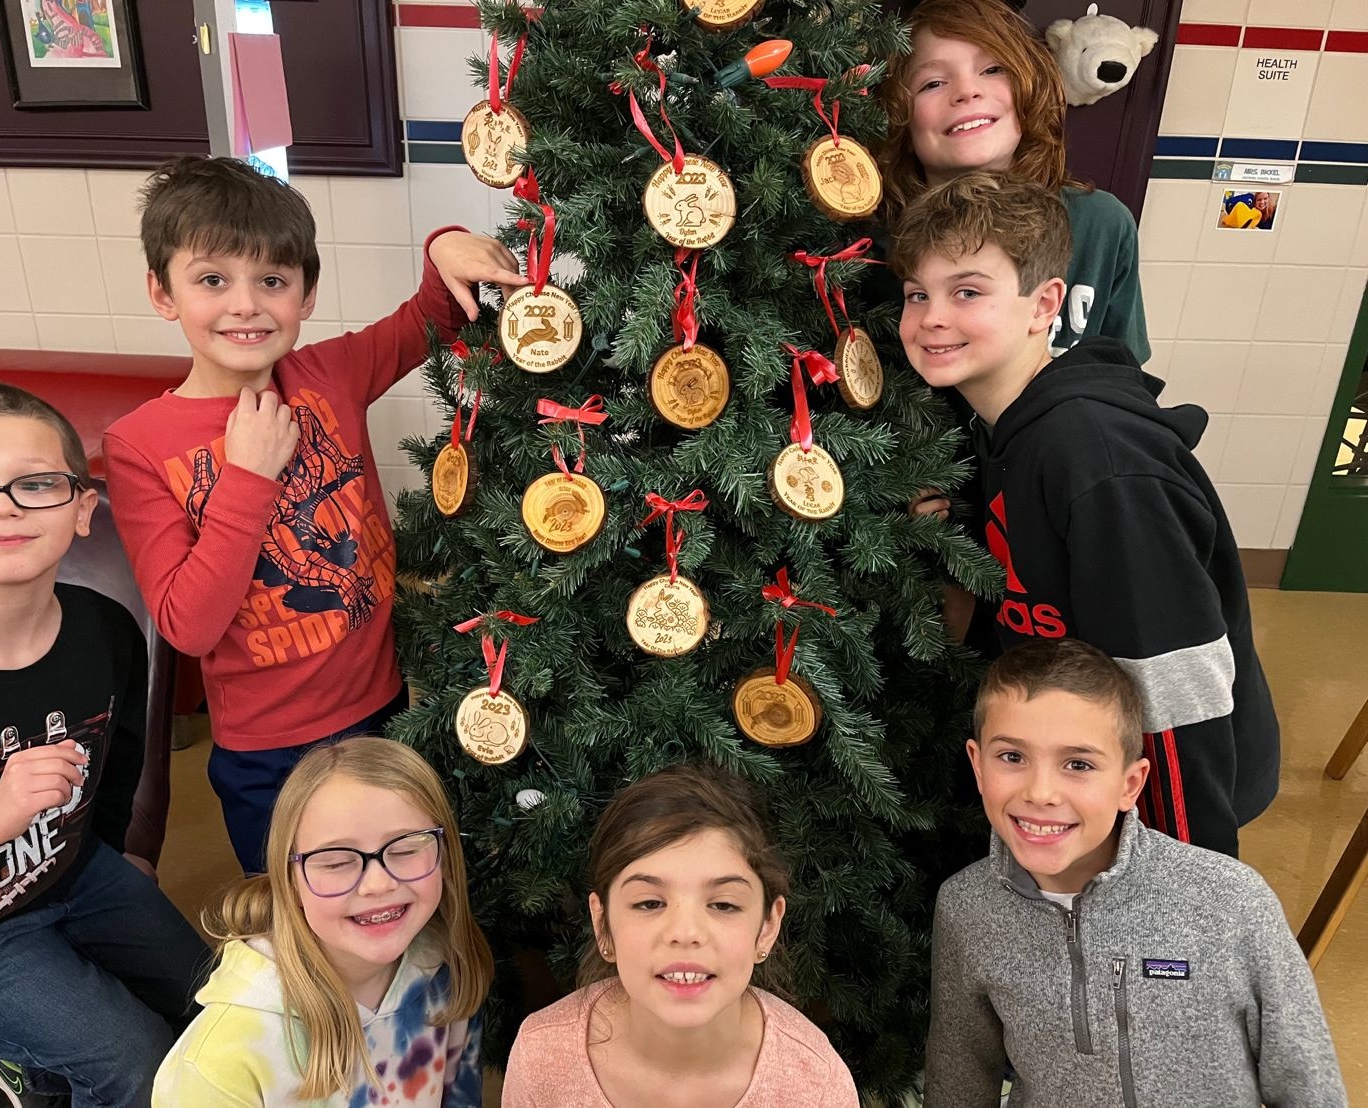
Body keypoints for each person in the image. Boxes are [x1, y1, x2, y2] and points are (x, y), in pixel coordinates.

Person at [103, 155, 523, 874]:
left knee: (401, 888)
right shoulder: (140, 444)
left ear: (307, 292)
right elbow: (186, 624)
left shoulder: (328, 374)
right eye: (212, 280)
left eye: (272, 280)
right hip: (266, 753)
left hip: (383, 712)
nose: (245, 305)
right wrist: (248, 477)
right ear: (162, 292)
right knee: (301, 929)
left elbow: (434, 311)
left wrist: (444, 241)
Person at [889, 172, 1279, 858]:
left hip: (1165, 801)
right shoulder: (1002, 428)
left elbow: (1174, 684)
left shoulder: (1094, 458)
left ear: (1044, 305)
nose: (933, 318)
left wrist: (1178, 878)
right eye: (918, 294)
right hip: (1079, 779)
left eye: (968, 292)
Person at [0, 383, 209, 1108]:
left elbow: (119, 759)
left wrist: (118, 850)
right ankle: (34, 1062)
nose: (2, 506)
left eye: (35, 484)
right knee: (135, 1063)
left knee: (220, 1012)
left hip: (74, 874)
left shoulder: (107, 631)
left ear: (83, 508)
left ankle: (42, 1068)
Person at [925, 638, 1346, 1107]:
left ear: (1130, 784)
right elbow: (959, 1073)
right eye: (1012, 757)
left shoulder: (1231, 901)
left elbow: (1308, 1082)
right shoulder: (966, 907)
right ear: (978, 767)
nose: (1040, 792)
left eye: (1078, 764)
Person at [153, 736, 491, 1105]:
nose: (378, 884)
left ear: (445, 855)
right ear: (290, 881)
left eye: (407, 848)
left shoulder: (446, 969)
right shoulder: (218, 1064)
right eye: (336, 862)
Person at [502, 765, 857, 1107]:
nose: (685, 933)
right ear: (602, 924)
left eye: (723, 905)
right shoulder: (542, 1058)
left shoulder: (815, 1084)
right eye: (649, 903)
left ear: (767, 927)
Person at [877, 0, 1149, 366]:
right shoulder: (865, 247)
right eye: (933, 83)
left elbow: (1125, 380)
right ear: (901, 117)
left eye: (992, 69)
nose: (966, 91)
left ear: (1028, 87)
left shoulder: (1102, 225)